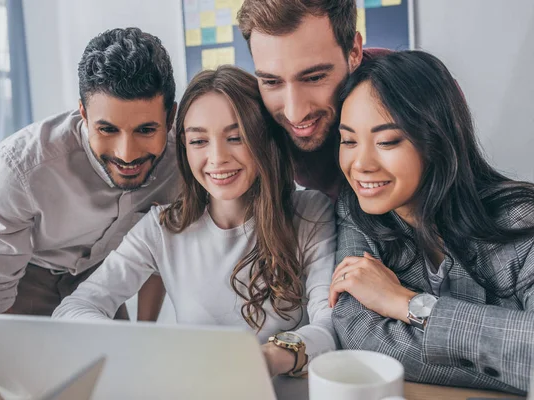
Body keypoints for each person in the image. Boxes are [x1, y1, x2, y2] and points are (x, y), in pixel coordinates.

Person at [53, 66, 336, 377]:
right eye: (199, 141)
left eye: (235, 137)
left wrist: (265, 359)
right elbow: (72, 310)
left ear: (264, 139)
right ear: (184, 147)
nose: (217, 158)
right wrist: (138, 345)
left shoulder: (310, 212)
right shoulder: (161, 228)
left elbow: (329, 327)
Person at [328, 51, 534, 395]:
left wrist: (408, 304)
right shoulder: (357, 212)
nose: (361, 163)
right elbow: (362, 336)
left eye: (387, 141)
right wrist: (512, 365)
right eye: (348, 141)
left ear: (437, 139)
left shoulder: (521, 220)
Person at [0, 27, 179, 321]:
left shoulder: (186, 159)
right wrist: (0, 362)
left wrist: (145, 334)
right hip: (24, 278)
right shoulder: (18, 170)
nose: (127, 154)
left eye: (145, 130)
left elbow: (161, 248)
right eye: (107, 129)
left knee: (121, 364)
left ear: (170, 119)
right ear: (83, 115)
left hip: (99, 280)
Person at [238, 0, 389, 203]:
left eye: (314, 78)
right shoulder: (251, 117)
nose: (294, 114)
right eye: (272, 82)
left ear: (354, 52)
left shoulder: (415, 93)